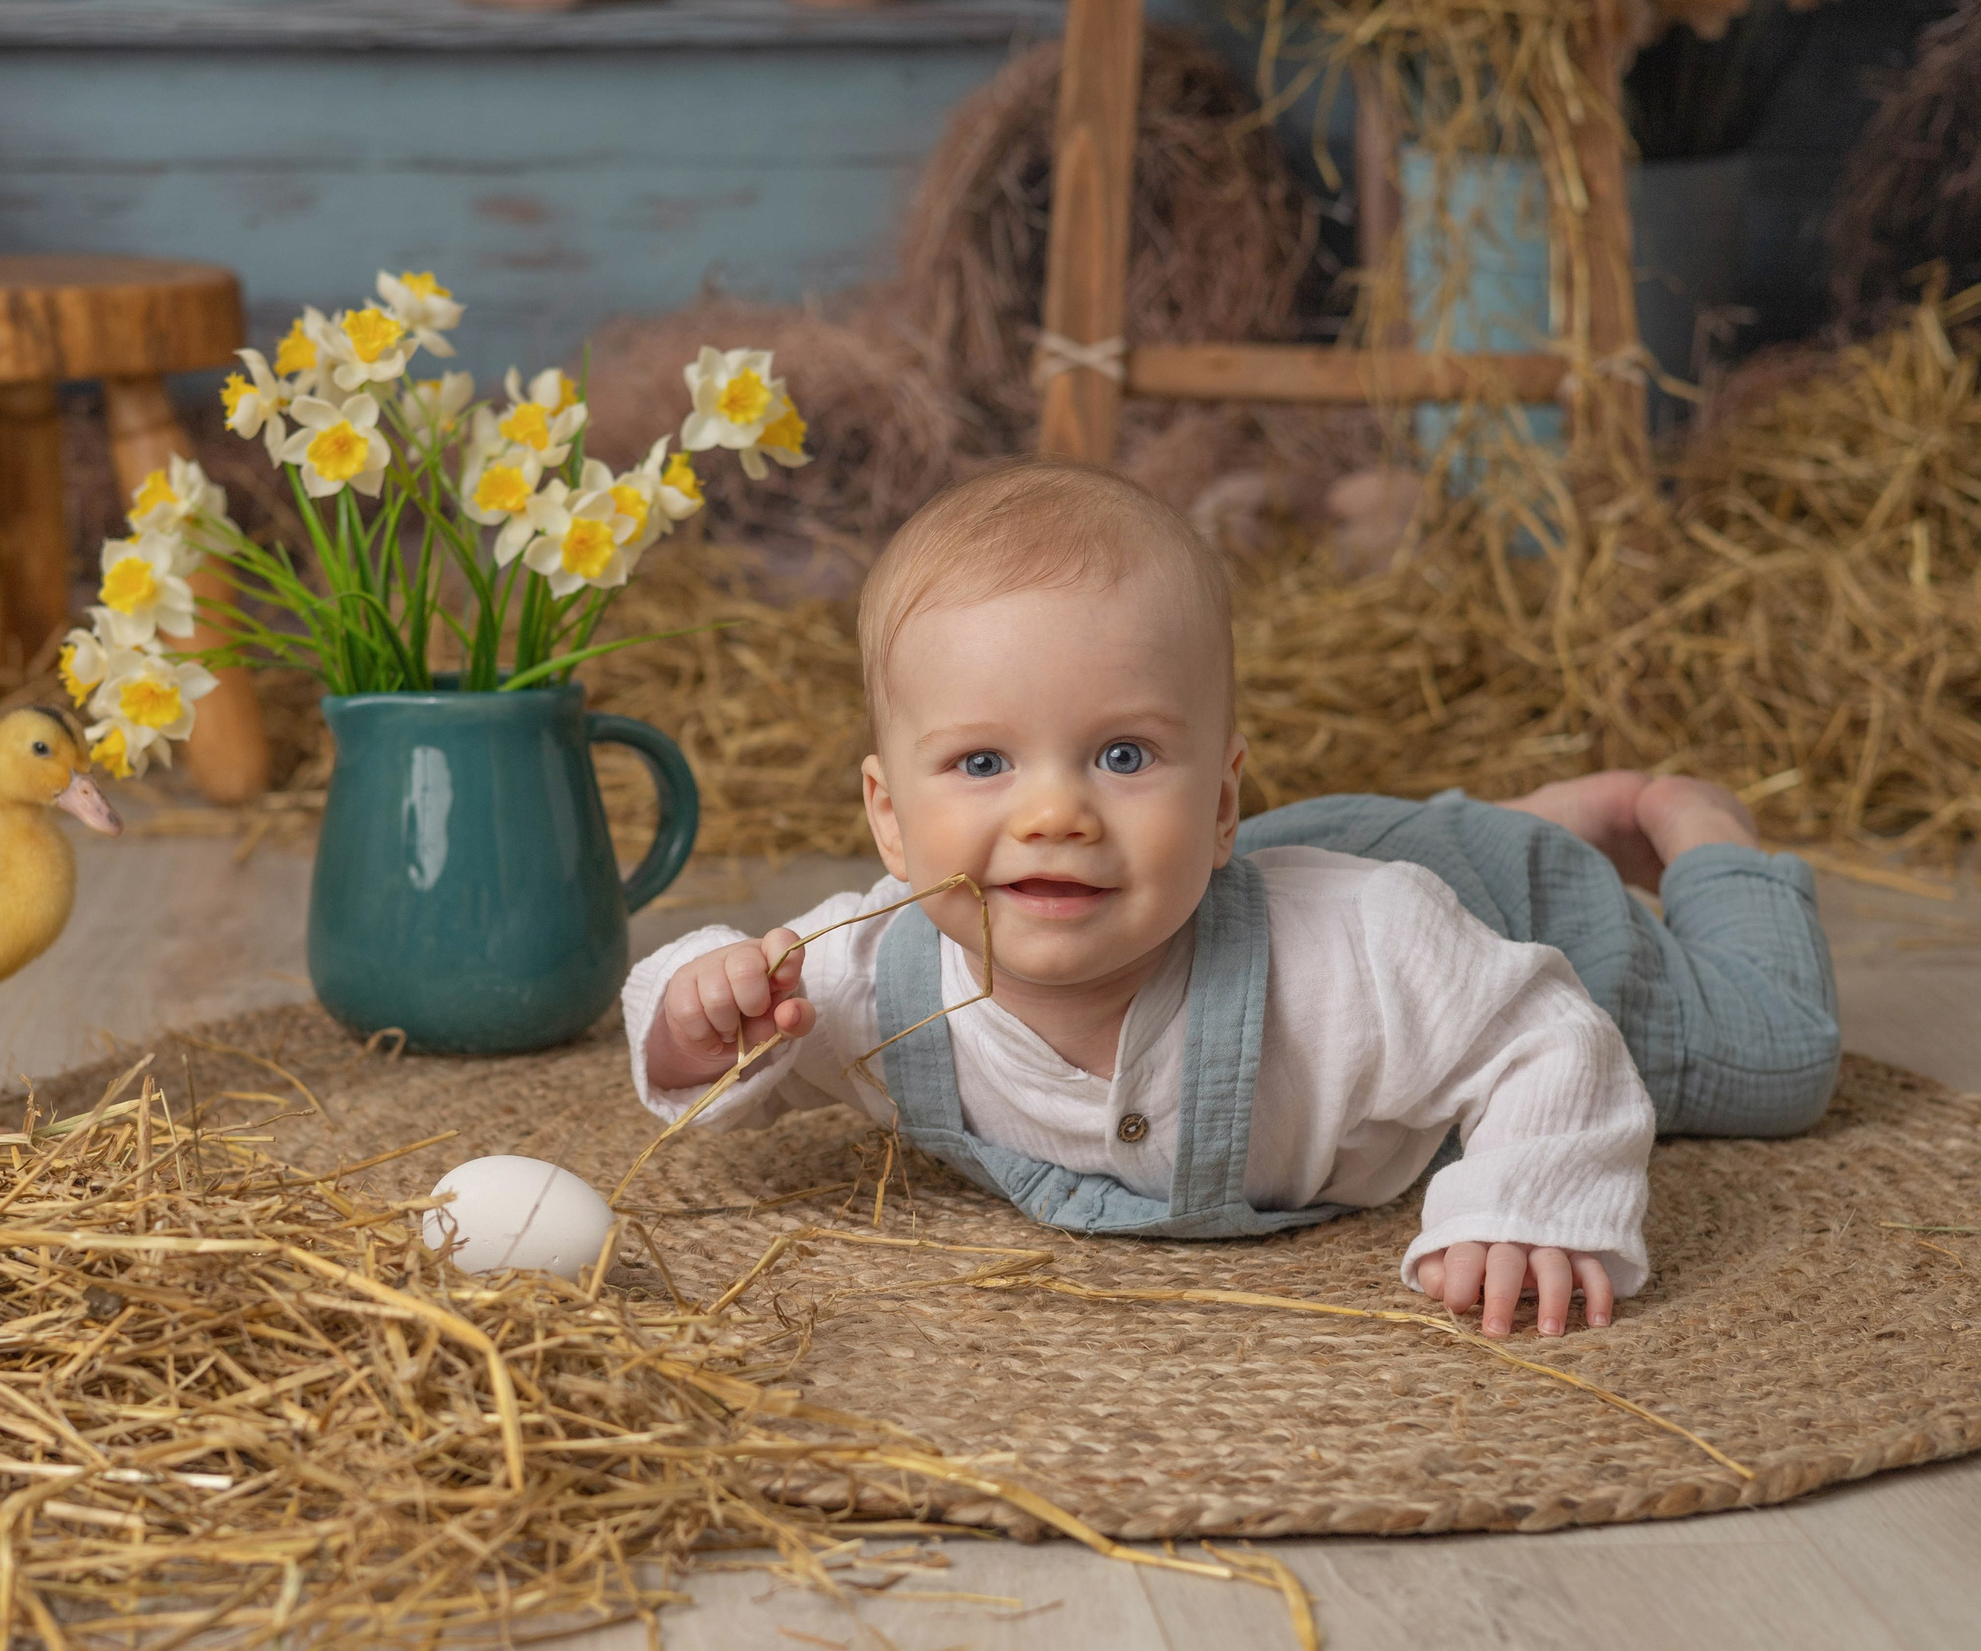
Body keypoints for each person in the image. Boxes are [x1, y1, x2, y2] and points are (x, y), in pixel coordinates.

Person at [626, 461, 1840, 1339]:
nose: (1054, 814)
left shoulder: (1369, 950)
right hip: (1293, 870)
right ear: (889, 818)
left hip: (1491, 907)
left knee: (1777, 1060)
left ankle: (1683, 826)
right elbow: (717, 1040)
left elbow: (1542, 1029)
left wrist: (1526, 1198)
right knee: (1339, 865)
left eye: (1121, 755)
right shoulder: (871, 975)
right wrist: (696, 1014)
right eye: (984, 763)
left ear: (1218, 801)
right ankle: (1531, 808)